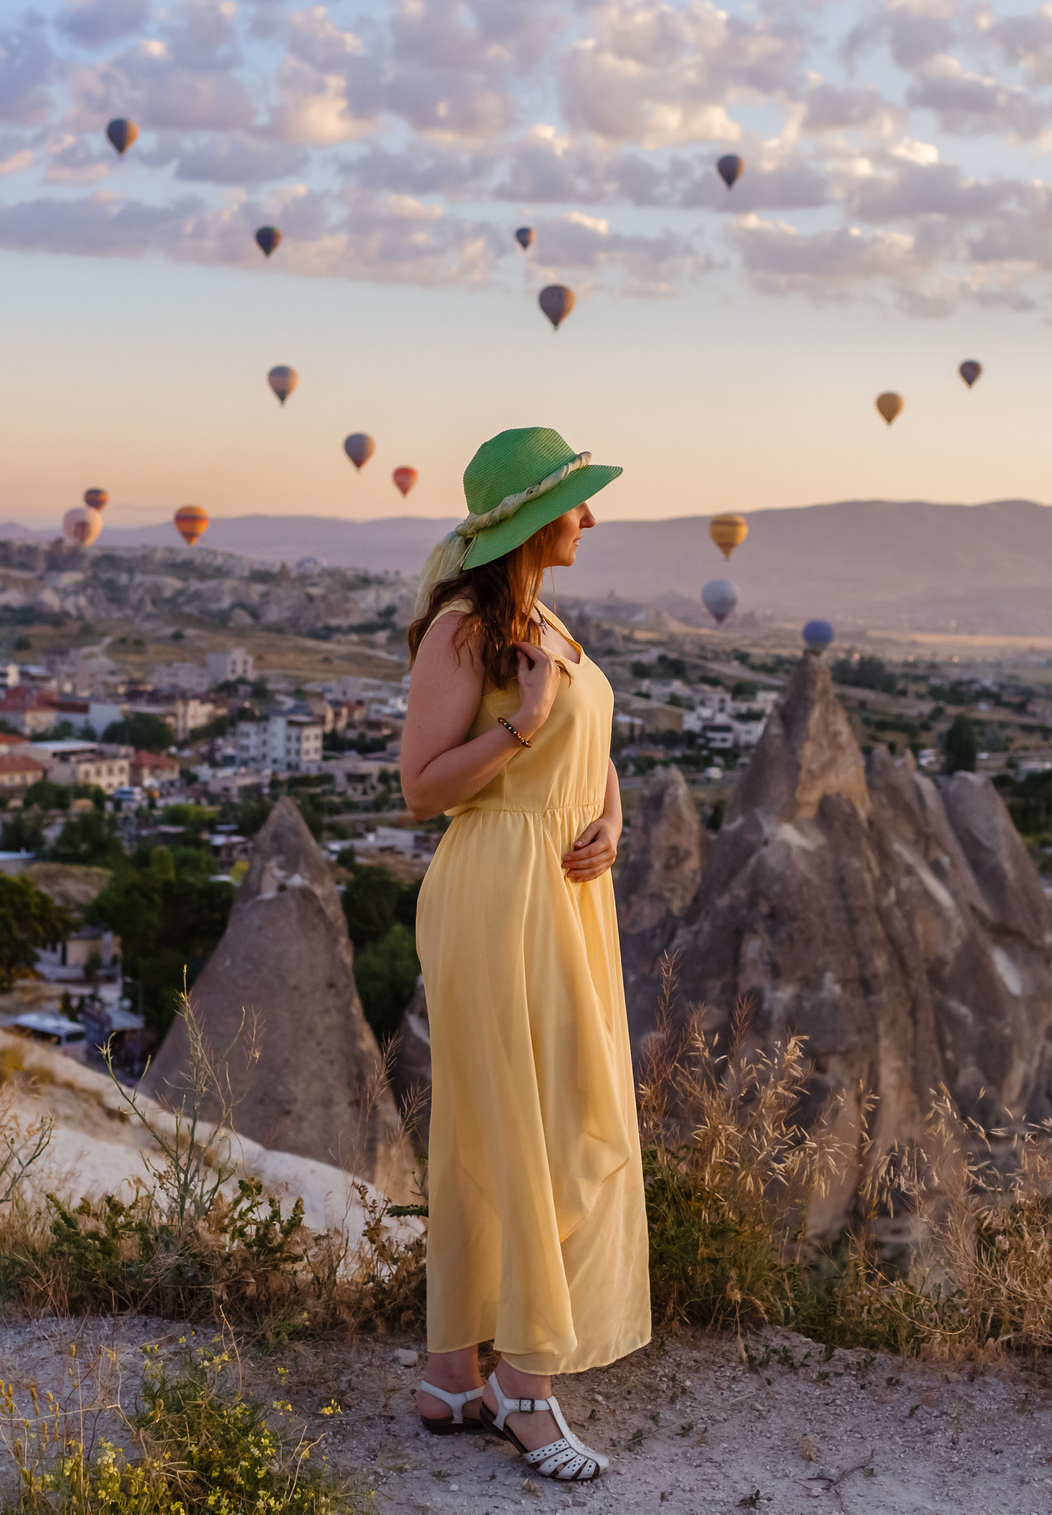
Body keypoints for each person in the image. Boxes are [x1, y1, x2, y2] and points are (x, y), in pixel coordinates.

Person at [398, 426, 646, 1483]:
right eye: (578, 502)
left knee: (523, 1122)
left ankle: (452, 1370)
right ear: (532, 522)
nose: (593, 517)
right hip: (497, 886)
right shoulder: (463, 631)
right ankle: (524, 1387)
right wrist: (524, 724)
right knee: (538, 1126)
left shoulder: (541, 620)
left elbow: (592, 751)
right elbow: (420, 787)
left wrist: (612, 819)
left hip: (561, 886)